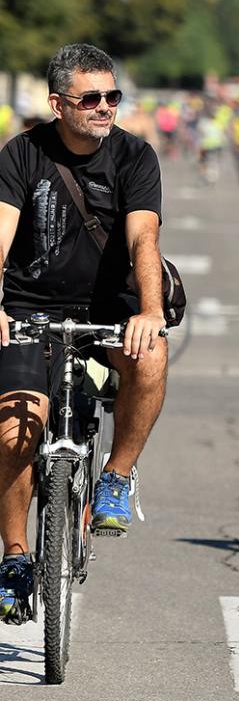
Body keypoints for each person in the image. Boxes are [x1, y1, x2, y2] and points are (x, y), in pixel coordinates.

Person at [0, 44, 170, 624]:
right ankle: (17, 558)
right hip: (30, 310)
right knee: (16, 429)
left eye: (112, 96)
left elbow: (144, 240)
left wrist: (149, 311)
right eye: (90, 98)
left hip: (108, 312)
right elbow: (0, 234)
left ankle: (117, 477)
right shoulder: (22, 154)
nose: (104, 107)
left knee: (150, 359)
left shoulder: (134, 157)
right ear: (57, 103)